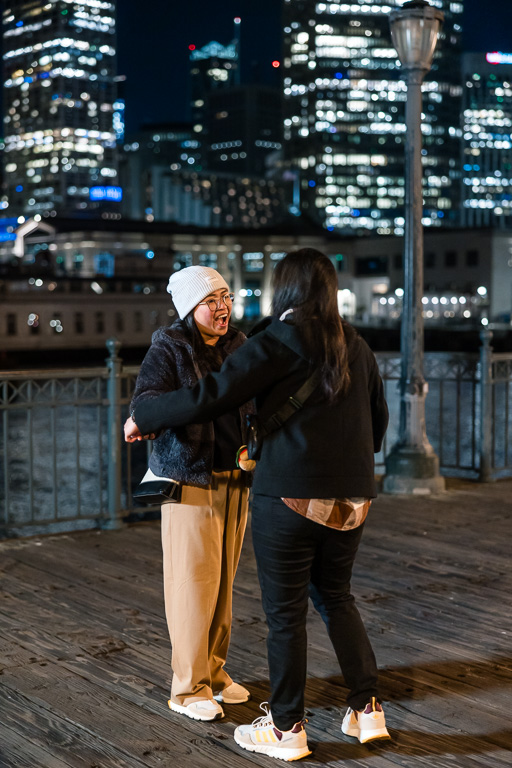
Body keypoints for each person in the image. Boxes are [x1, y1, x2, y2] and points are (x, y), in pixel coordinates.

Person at [125, 249, 390, 761]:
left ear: (285, 290)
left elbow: (212, 395)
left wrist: (145, 415)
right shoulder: (354, 343)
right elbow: (378, 426)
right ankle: (366, 708)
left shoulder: (276, 341)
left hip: (289, 495)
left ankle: (288, 728)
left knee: (285, 613)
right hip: (355, 499)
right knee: (337, 599)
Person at [129, 265, 253, 723]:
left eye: (226, 297)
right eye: (211, 300)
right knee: (190, 587)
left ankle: (215, 675)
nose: (222, 308)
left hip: (235, 476)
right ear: (189, 308)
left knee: (222, 586)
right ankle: (187, 687)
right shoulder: (170, 346)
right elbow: (145, 403)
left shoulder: (240, 345)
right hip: (189, 479)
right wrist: (141, 420)